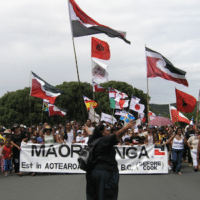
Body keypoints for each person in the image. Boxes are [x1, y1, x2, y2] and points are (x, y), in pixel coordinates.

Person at [85, 120, 135, 200]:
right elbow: (117, 134)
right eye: (106, 130)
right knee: (106, 195)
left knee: (94, 195)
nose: (108, 132)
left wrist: (86, 128)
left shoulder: (92, 140)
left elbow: (90, 133)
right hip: (105, 174)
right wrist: (126, 127)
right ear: (102, 133)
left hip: (92, 173)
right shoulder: (104, 140)